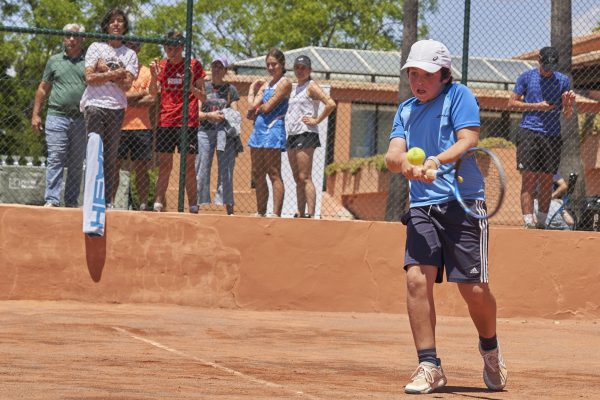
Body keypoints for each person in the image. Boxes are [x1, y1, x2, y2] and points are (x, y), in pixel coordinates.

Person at [384, 39, 507, 394]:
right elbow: (393, 154)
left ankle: (490, 349)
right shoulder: (405, 110)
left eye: (426, 74)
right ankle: (429, 364)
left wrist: (437, 161)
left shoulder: (459, 96)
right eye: (413, 74)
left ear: (443, 74)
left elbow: (467, 139)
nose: (418, 81)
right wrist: (407, 165)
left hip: (463, 203)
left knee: (475, 290)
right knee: (415, 280)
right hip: (422, 209)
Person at [508, 46, 576, 229]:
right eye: (545, 65)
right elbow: (512, 103)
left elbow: (567, 114)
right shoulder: (526, 77)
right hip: (529, 133)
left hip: (552, 136)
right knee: (529, 178)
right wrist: (538, 106)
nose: (548, 70)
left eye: (552, 66)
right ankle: (528, 222)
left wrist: (568, 106)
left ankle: (542, 222)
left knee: (547, 180)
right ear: (539, 59)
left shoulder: (563, 81)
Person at [80, 8, 138, 208]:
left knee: (111, 157)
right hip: (94, 105)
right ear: (106, 25)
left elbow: (127, 84)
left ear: (124, 27)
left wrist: (105, 71)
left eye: (120, 21)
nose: (116, 24)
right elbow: (89, 79)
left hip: (116, 108)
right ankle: (90, 199)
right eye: (112, 21)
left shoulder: (130, 54)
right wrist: (117, 73)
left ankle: (107, 201)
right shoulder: (95, 47)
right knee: (94, 153)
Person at [150, 30, 206, 213]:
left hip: (187, 122)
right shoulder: (162, 66)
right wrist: (152, 76)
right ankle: (158, 203)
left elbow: (204, 97)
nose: (171, 51)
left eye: (175, 47)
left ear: (182, 47)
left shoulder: (193, 65)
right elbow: (152, 93)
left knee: (189, 166)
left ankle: (193, 205)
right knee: (165, 165)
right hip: (166, 121)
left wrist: (190, 86)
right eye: (168, 47)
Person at [32, 23, 87, 208]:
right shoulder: (54, 60)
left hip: (81, 119)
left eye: (75, 36)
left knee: (77, 163)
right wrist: (35, 114)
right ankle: (52, 200)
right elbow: (42, 88)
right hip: (56, 116)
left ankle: (71, 203)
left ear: (82, 39)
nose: (71, 39)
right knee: (56, 158)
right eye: (68, 36)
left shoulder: (90, 62)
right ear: (63, 38)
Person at [285, 55, 336, 218]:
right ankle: (300, 212)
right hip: (292, 134)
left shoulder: (311, 86)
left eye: (303, 68)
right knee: (297, 178)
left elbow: (330, 103)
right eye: (297, 67)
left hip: (306, 133)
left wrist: (316, 120)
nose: (300, 71)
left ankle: (312, 214)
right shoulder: (292, 88)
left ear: (309, 70)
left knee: (305, 176)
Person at [246, 48, 291, 217]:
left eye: (274, 64)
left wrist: (257, 107)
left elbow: (267, 106)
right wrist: (252, 90)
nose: (271, 68)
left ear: (282, 64)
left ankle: (276, 214)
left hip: (273, 128)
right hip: (258, 130)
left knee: (273, 172)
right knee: (258, 172)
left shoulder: (285, 83)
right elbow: (251, 108)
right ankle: (261, 211)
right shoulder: (266, 84)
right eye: (268, 65)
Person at [196, 56, 241, 215]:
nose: (216, 69)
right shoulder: (203, 87)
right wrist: (210, 116)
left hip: (224, 133)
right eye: (214, 65)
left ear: (225, 71)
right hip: (205, 132)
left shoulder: (231, 89)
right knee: (202, 167)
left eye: (220, 67)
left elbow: (236, 114)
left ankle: (228, 207)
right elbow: (196, 114)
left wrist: (226, 114)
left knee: (226, 170)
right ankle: (197, 204)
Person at [114, 41, 156, 210]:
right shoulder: (118, 73)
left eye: (135, 47)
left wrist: (128, 98)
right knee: (115, 165)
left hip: (142, 127)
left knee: (141, 167)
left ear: (138, 50)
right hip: (119, 126)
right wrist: (142, 93)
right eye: (128, 47)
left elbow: (152, 99)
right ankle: (111, 201)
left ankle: (144, 204)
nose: (132, 50)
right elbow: (117, 98)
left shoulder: (146, 72)